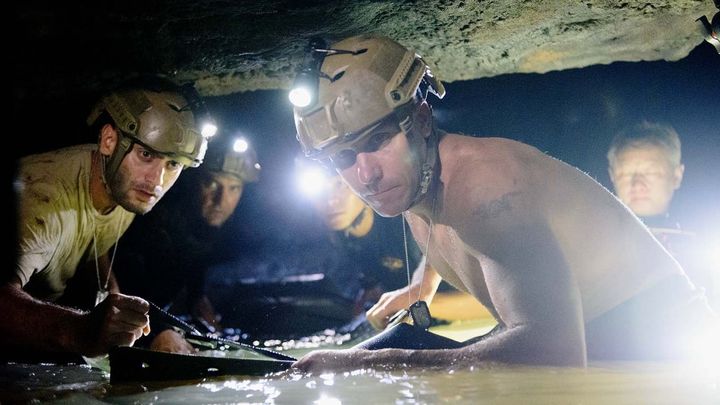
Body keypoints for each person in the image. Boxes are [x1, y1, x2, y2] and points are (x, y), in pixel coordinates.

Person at [288, 34, 718, 372]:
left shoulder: (488, 188)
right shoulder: (417, 181)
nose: (365, 174)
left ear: (420, 120)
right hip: (586, 338)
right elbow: (449, 226)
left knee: (375, 366)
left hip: (655, 344)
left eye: (378, 141)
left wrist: (367, 363)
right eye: (343, 157)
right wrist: (423, 284)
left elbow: (554, 352)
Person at [2, 75, 214, 361]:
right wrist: (79, 331)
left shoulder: (122, 188)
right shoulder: (42, 200)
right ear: (109, 140)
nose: (156, 180)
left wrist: (119, 308)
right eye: (146, 154)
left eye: (173, 163)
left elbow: (93, 241)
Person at [114, 135, 260, 353]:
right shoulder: (155, 222)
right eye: (211, 183)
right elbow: (123, 292)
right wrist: (160, 332)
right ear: (192, 180)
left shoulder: (213, 229)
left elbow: (194, 275)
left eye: (234, 188)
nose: (221, 200)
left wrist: (198, 301)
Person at [296, 157, 447, 329]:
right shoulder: (341, 237)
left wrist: (423, 285)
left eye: (340, 186)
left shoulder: (403, 214)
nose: (331, 201)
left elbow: (440, 236)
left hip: (468, 299)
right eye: (318, 191)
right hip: (417, 314)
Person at [607, 121, 718, 310]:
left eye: (650, 172)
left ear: (676, 176)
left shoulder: (704, 245)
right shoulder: (594, 241)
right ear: (612, 175)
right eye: (625, 173)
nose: (637, 184)